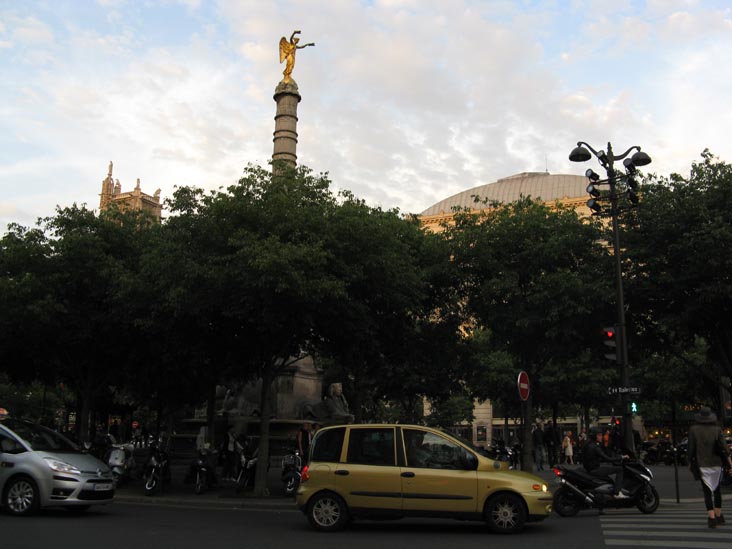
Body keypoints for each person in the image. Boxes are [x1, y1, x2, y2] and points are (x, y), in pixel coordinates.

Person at [687, 406, 732, 528]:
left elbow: (691, 448)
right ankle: (719, 515)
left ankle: (711, 518)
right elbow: (724, 447)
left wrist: (689, 461)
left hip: (702, 464)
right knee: (717, 491)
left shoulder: (693, 430)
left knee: (707, 492)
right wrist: (729, 461)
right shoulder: (717, 429)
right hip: (717, 464)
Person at [583, 427, 629, 498]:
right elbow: (607, 458)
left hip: (589, 468)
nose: (601, 437)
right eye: (599, 435)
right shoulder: (595, 447)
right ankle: (617, 493)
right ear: (595, 436)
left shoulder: (588, 444)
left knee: (608, 477)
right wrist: (621, 457)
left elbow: (596, 458)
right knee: (620, 469)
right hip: (595, 469)